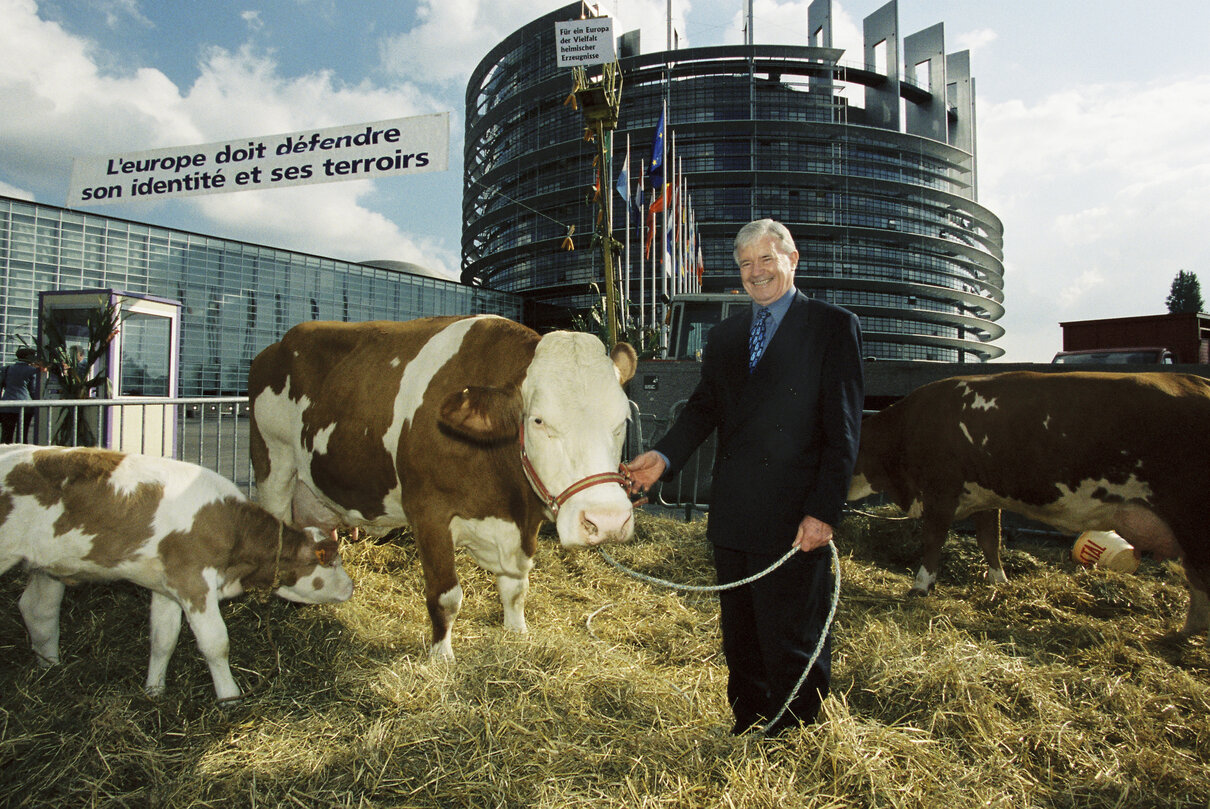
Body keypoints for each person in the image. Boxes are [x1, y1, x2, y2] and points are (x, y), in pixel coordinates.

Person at [625, 219, 864, 736]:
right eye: (746, 264)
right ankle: (749, 724)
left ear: (792, 260)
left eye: (766, 260)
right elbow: (703, 409)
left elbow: (842, 430)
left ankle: (796, 735)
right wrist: (663, 457)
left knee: (793, 631)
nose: (756, 274)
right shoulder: (726, 335)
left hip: (795, 515)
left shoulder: (831, 326)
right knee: (742, 633)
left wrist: (824, 511)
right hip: (733, 512)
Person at [1, 346, 40, 443]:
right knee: (23, 434)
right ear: (29, 357)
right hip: (25, 406)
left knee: (6, 434)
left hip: (7, 405)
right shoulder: (32, 371)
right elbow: (33, 390)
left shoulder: (6, 369)